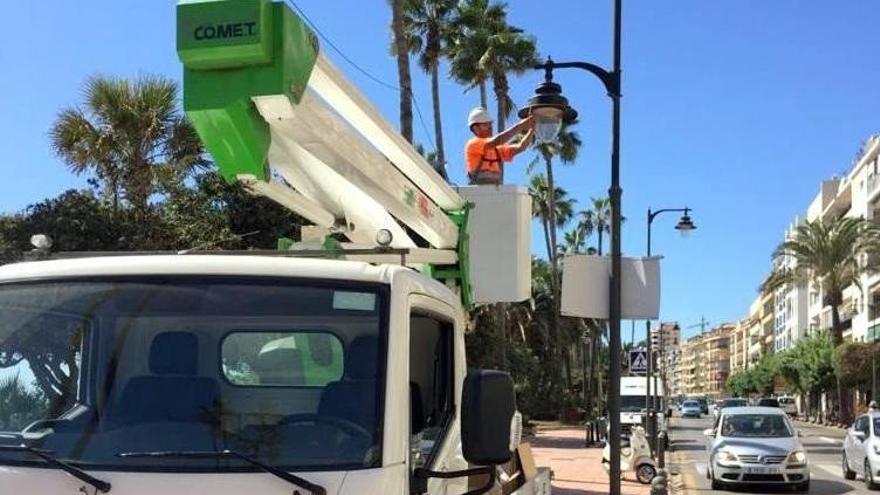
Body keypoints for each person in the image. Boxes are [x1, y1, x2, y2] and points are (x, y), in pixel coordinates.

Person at [465, 107, 534, 185]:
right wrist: (521, 126)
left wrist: (532, 130)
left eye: (490, 124)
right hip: (478, 193)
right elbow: (497, 141)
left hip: (495, 193)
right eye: (485, 124)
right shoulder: (473, 144)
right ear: (475, 128)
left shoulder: (496, 150)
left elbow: (521, 147)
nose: (490, 127)